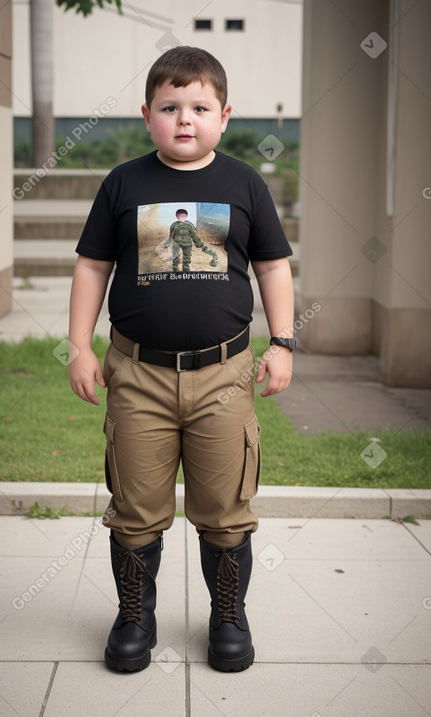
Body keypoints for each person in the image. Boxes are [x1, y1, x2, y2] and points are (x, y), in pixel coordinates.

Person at [69, 46, 295, 674]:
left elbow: (274, 267)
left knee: (225, 508)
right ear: (148, 115)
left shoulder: (245, 183)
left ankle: (228, 615)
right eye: (170, 107)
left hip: (225, 376)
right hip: (136, 376)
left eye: (199, 107)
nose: (185, 119)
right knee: (136, 507)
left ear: (225, 115)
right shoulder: (123, 183)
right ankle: (135, 614)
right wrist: (79, 345)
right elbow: (92, 265)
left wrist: (282, 342)